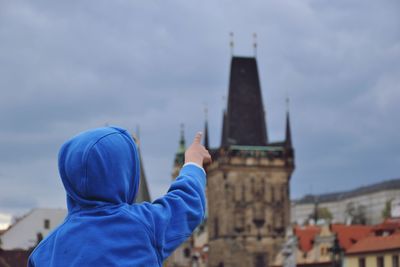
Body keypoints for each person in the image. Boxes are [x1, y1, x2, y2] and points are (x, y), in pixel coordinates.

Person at [28, 126, 211, 267]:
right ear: (125, 175)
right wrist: (193, 162)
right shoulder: (143, 224)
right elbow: (188, 201)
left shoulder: (45, 251)